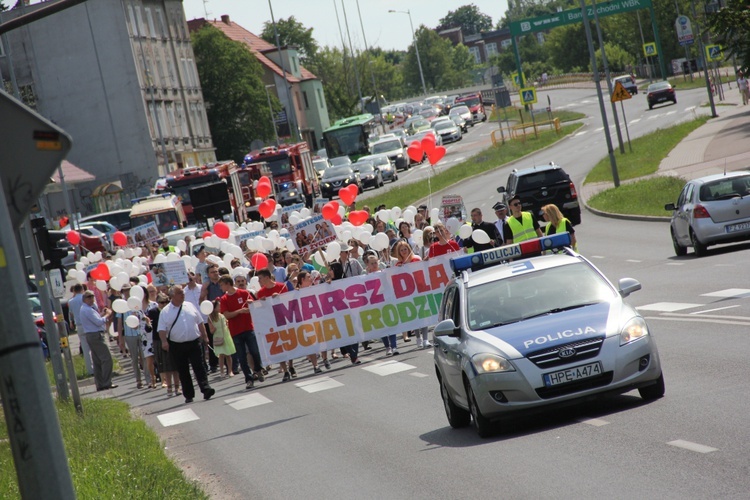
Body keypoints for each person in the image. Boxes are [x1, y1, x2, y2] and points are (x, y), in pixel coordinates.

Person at [158, 285, 215, 404]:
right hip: (176, 345)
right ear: (172, 296)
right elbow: (161, 329)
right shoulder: (165, 311)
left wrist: (204, 336)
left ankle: (206, 389)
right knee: (183, 370)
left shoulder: (190, 305)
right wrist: (164, 341)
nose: (183, 294)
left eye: (183, 292)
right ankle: (188, 394)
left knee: (199, 367)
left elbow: (200, 322)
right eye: (180, 293)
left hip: (194, 342)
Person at [219, 275, 264, 389]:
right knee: (242, 357)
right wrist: (240, 311)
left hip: (248, 327)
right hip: (235, 332)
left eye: (222, 285)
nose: (221, 287)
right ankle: (249, 379)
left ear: (227, 284)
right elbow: (226, 315)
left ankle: (258, 369)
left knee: (254, 351)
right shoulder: (224, 299)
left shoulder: (244, 293)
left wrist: (250, 304)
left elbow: (254, 307)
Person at [256, 269, 299, 379]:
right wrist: (261, 302)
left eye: (260, 278)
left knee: (287, 343)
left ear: (266, 277)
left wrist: (280, 297)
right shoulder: (260, 293)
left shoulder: (281, 287)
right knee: (278, 346)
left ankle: (291, 365)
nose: (259, 281)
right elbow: (259, 309)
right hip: (271, 322)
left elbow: (291, 301)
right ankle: (285, 370)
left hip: (284, 319)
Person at [78, 290, 118, 391]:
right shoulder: (87, 310)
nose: (91, 299)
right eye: (88, 297)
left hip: (91, 335)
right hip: (96, 335)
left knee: (97, 361)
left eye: (92, 297)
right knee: (106, 359)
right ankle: (106, 382)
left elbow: (96, 318)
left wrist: (102, 313)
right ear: (84, 299)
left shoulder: (87, 309)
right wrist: (108, 315)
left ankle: (100, 384)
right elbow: (99, 322)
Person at [117, 283, 150, 389]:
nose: (126, 292)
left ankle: (148, 379)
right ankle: (138, 380)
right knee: (134, 358)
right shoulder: (121, 304)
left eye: (128, 290)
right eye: (124, 290)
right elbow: (119, 322)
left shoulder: (136, 301)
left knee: (144, 356)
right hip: (129, 335)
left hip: (140, 332)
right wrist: (120, 339)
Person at [149, 292, 180, 397]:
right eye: (162, 302)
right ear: (157, 303)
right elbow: (149, 328)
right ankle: (169, 387)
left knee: (175, 364)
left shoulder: (171, 310)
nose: (164, 304)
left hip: (172, 338)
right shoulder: (153, 312)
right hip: (159, 340)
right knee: (165, 365)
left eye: (166, 302)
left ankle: (177, 386)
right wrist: (147, 322)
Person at [297, 270, 327, 372]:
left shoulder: (315, 288)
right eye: (309, 277)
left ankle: (325, 358)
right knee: (311, 344)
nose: (311, 278)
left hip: (317, 318)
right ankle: (315, 366)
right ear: (302, 280)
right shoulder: (296, 292)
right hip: (306, 322)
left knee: (322, 339)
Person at [199, 264, 222, 373]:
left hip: (225, 313)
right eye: (213, 272)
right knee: (214, 340)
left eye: (216, 271)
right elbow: (201, 301)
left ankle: (231, 363)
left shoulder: (224, 282)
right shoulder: (207, 286)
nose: (215, 273)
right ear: (208, 274)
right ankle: (214, 364)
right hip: (213, 315)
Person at [68, 284, 93, 376]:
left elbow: (70, 314)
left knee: (85, 349)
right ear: (82, 289)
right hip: (89, 324)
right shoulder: (85, 298)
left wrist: (71, 322)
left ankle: (90, 370)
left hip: (79, 326)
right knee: (93, 347)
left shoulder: (71, 301)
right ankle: (97, 367)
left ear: (74, 291)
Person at [208, 298, 236, 378]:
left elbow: (226, 324)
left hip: (226, 336)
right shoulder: (211, 318)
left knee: (228, 354)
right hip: (218, 337)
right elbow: (211, 331)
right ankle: (222, 372)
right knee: (221, 355)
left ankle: (230, 371)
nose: (220, 308)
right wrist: (213, 329)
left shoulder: (222, 315)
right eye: (218, 306)